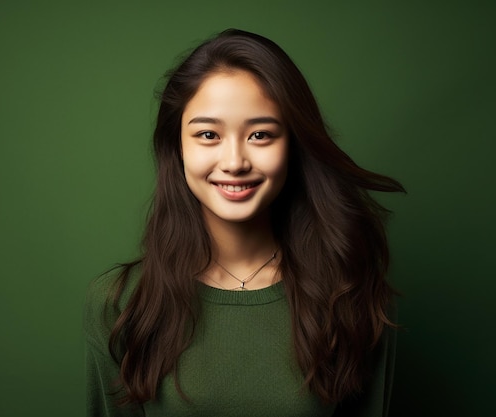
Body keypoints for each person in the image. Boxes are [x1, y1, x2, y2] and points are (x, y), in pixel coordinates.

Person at [84, 28, 405, 417]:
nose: (235, 161)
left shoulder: (352, 293)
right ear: (178, 148)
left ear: (293, 146)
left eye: (260, 134)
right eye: (208, 134)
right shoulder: (121, 304)